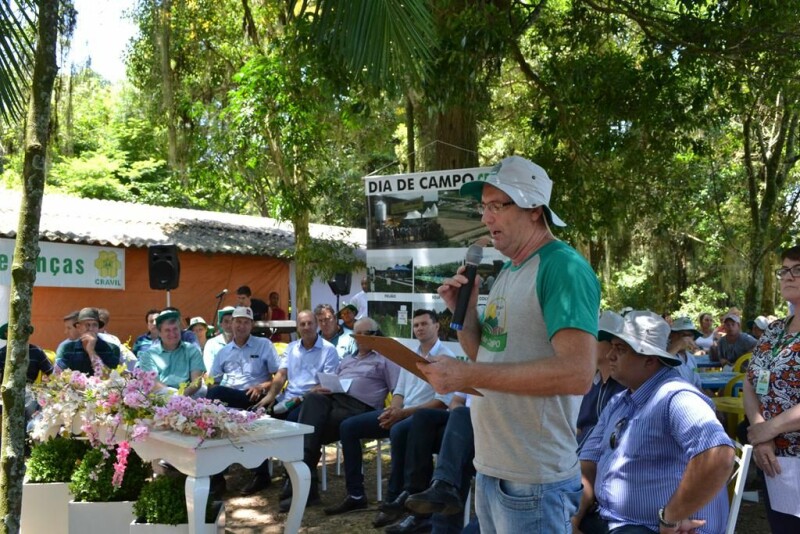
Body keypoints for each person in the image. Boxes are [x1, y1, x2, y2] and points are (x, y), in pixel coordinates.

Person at [421, 155, 600, 533]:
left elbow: (578, 374)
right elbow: (486, 355)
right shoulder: (509, 269)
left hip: (533, 478)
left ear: (535, 209)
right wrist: (465, 313)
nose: (486, 218)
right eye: (483, 207)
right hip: (492, 467)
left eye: (497, 206)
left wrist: (466, 374)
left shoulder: (562, 268)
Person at [574, 310, 734, 534]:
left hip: (652, 528)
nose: (610, 355)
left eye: (620, 349)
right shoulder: (620, 402)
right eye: (611, 346)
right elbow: (588, 464)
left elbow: (719, 456)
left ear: (649, 359)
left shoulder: (676, 398)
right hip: (613, 521)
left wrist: (670, 518)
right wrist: (573, 518)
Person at [324, 309, 454, 531]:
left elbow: (442, 402)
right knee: (348, 427)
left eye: (424, 324)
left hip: (425, 418)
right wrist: (393, 410)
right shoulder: (410, 355)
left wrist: (402, 413)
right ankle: (355, 493)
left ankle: (394, 499)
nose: (420, 328)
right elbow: (399, 392)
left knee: (399, 430)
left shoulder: (447, 357)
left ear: (436, 327)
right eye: (416, 325)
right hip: (401, 414)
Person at [278, 317, 401, 513]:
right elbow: (332, 381)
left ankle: (302, 485)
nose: (360, 338)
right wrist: (322, 388)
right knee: (313, 400)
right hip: (335, 401)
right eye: (356, 334)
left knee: (308, 431)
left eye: (365, 334)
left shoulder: (384, 359)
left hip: (361, 408)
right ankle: (305, 484)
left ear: (376, 336)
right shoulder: (348, 359)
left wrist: (395, 409)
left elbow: (397, 389)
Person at [240, 310, 340, 495]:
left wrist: (303, 396)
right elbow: (281, 375)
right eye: (302, 324)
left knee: (292, 425)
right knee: (256, 420)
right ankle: (260, 475)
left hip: (312, 401)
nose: (306, 327)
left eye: (310, 323)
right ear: (297, 327)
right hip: (288, 399)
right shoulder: (291, 347)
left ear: (316, 325)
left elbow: (327, 383)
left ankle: (293, 478)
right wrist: (269, 397)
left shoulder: (328, 350)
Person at [744, 246, 800, 533]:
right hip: (774, 460)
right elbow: (750, 382)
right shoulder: (774, 329)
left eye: (798, 269)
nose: (788, 276)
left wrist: (771, 428)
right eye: (784, 270)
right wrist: (760, 432)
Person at [403, 395, 474, 534]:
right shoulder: (474, 373)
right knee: (422, 418)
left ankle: (441, 485)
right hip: (465, 424)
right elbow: (456, 401)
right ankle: (422, 490)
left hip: (493, 429)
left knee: (457, 453)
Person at [206, 306, 281, 409]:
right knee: (215, 392)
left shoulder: (264, 344)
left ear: (252, 325)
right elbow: (213, 382)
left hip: (257, 396)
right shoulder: (223, 352)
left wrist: (262, 387)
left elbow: (280, 376)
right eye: (238, 321)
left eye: (246, 322)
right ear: (232, 323)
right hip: (233, 395)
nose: (242, 326)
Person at [576, 311, 626, 450]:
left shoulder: (624, 389)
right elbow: (579, 428)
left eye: (594, 338)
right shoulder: (592, 383)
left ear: (612, 345)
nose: (587, 344)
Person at [137, 310, 205, 397]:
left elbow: (196, 382)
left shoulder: (191, 350)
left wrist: (182, 397)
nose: (172, 333)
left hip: (189, 396)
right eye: (167, 330)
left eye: (175, 329)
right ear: (160, 333)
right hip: (160, 399)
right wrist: (174, 397)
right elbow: (154, 384)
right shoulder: (148, 355)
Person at [0, 322, 53, 417]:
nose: (19, 335)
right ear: (6, 334)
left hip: (29, 392)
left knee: (31, 406)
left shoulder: (36, 352)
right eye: (14, 332)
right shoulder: (2, 353)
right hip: (5, 394)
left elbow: (52, 374)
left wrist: (47, 386)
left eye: (23, 332)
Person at [55, 307, 121, 376]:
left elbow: (110, 378)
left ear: (98, 328)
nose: (91, 328)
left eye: (94, 325)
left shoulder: (111, 348)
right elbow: (59, 376)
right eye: (87, 325)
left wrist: (91, 351)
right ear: (79, 328)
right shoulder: (67, 349)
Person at [666, 316, 704, 390]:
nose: (687, 340)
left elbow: (698, 385)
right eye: (683, 335)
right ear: (672, 335)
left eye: (690, 335)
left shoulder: (691, 358)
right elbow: (663, 366)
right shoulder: (665, 353)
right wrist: (678, 345)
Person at [203, 306, 235, 372]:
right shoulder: (211, 343)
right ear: (220, 324)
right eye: (226, 321)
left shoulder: (243, 342)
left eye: (232, 321)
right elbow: (210, 369)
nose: (229, 325)